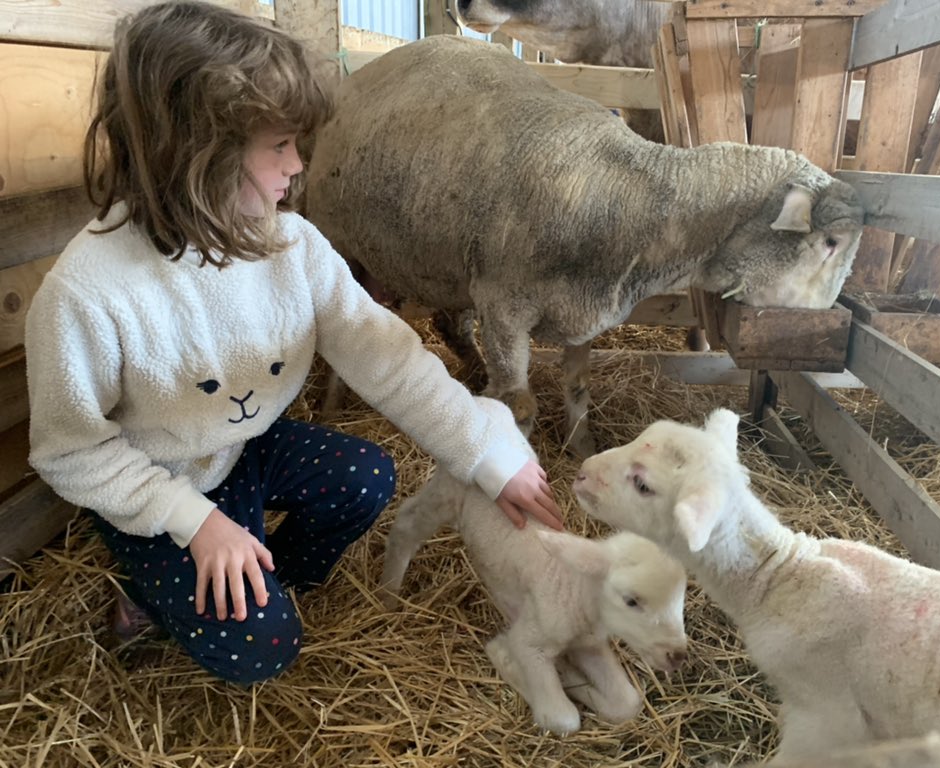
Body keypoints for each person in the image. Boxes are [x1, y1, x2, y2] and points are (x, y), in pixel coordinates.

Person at [24, 0, 562, 685]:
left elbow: (383, 355)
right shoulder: (87, 294)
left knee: (369, 478)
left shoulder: (291, 244)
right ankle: (162, 594)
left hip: (237, 447)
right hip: (157, 478)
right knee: (260, 653)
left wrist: (486, 451)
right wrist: (192, 522)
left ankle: (258, 579)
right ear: (197, 150)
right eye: (279, 145)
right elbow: (69, 453)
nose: (298, 165)